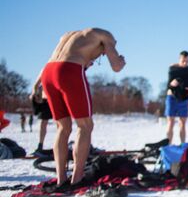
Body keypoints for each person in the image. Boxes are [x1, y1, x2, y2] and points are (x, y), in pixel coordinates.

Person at [31, 28, 126, 186]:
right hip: (69, 70)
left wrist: (36, 86)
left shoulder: (68, 35)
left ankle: (61, 180)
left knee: (63, 127)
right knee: (85, 125)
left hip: (48, 73)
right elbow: (116, 66)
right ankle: (77, 178)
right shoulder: (107, 37)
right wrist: (120, 60)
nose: (103, 54)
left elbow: (52, 62)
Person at [165, 50, 188, 144]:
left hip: (184, 99)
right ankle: (168, 145)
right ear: (179, 59)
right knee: (170, 122)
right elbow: (168, 85)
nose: (185, 63)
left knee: (182, 123)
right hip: (172, 98)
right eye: (183, 60)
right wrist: (172, 84)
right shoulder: (173, 69)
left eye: (187, 61)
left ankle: (183, 145)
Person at [30, 84, 53, 156]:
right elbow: (36, 87)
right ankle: (40, 146)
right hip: (45, 101)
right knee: (43, 123)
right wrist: (34, 95)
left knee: (62, 124)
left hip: (53, 98)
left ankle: (62, 147)